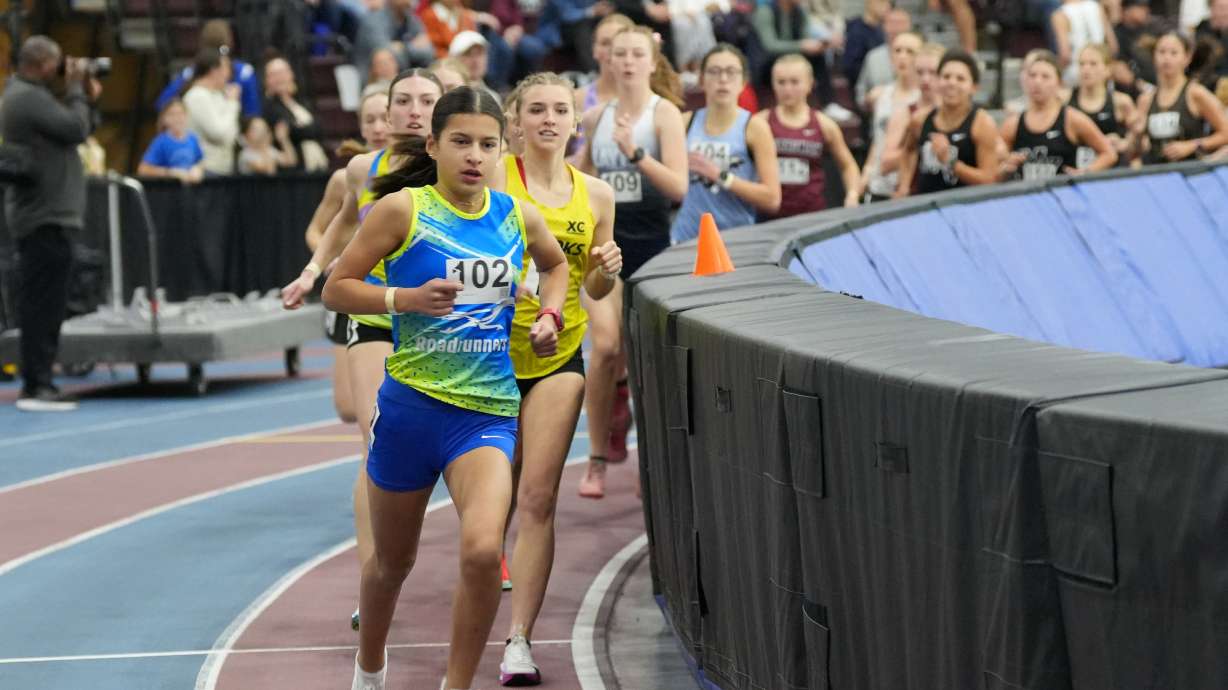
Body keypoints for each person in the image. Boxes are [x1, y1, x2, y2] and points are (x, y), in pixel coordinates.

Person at [323, 84, 569, 690]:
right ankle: (371, 667)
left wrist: (549, 316)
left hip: (485, 413)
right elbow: (337, 287)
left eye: (487, 145)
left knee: (484, 551)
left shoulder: (515, 214)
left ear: (502, 149)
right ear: (433, 145)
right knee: (391, 565)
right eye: (460, 141)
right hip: (411, 410)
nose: (474, 156)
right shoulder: (402, 210)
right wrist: (400, 298)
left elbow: (558, 264)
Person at [281, 69, 444, 632]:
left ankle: (484, 546)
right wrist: (310, 272)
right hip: (377, 312)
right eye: (404, 101)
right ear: (388, 110)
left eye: (428, 100)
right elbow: (340, 225)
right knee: (376, 433)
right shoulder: (362, 169)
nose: (414, 109)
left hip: (443, 323)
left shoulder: (462, 165)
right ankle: (372, 577)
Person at [491, 72, 622, 686]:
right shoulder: (493, 180)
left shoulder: (595, 195)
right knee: (487, 512)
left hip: (556, 357)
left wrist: (604, 271)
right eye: (536, 109)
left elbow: (595, 288)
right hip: (483, 357)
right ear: (515, 122)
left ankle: (519, 640)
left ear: (576, 121)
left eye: (560, 110)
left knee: (537, 498)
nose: (548, 119)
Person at [575, 24, 688, 497]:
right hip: (605, 247)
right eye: (618, 53)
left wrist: (635, 153)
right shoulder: (595, 117)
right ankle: (597, 457)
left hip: (654, 248)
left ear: (651, 59)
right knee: (603, 347)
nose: (625, 62)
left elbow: (678, 188)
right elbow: (582, 177)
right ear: (607, 58)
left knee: (647, 358)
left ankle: (649, 457)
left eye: (635, 54)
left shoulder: (666, 115)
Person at [1, 35, 100, 411]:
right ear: (42, 63)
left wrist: (85, 93)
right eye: (58, 64)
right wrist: (76, 87)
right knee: (42, 302)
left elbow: (80, 124)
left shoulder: (32, 96)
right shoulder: (26, 97)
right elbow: (76, 129)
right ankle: (37, 383)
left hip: (48, 214)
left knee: (48, 301)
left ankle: (41, 380)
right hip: (43, 215)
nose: (62, 70)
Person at [306, 91, 392, 426]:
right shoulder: (347, 177)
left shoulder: (416, 173)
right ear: (361, 128)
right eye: (369, 120)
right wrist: (328, 261)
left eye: (384, 117)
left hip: (392, 295)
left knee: (374, 417)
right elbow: (317, 231)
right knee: (347, 407)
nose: (379, 126)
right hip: (351, 289)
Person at [672, 44, 781, 241]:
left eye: (731, 72)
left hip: (736, 240)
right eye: (714, 72)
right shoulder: (684, 122)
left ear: (743, 81)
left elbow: (772, 198)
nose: (723, 79)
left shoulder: (755, 127)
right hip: (686, 238)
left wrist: (720, 176)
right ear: (701, 80)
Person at [756, 53, 859, 217]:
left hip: (811, 215)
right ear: (773, 84)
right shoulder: (760, 122)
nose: (787, 89)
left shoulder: (824, 124)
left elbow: (848, 165)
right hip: (769, 216)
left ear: (810, 84)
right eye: (781, 82)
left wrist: (852, 195)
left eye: (795, 82)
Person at [896, 49, 1003, 196]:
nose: (952, 83)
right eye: (946, 77)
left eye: (960, 79)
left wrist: (951, 162)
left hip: (965, 209)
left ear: (974, 87)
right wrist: (904, 185)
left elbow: (990, 180)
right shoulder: (920, 120)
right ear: (938, 80)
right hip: (924, 207)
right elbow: (907, 151)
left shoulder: (982, 124)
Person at [999, 49, 1117, 180]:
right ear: (1025, 80)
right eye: (1032, 75)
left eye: (1045, 77)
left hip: (1063, 197)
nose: (1037, 82)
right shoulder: (1012, 124)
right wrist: (1005, 167)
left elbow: (1109, 154)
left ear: (1059, 83)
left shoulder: (1072, 119)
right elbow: (994, 168)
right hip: (1026, 198)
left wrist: (1086, 172)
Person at [1135, 31, 1228, 164]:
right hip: (1155, 174)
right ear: (1154, 56)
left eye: (1173, 53)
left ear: (1187, 57)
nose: (1167, 58)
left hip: (1189, 173)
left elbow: (1225, 133)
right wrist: (1136, 135)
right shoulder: (1145, 99)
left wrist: (1192, 146)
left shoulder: (1196, 93)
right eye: (1161, 52)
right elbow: (1134, 151)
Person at [859, 31, 921, 203]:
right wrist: (866, 172)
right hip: (878, 184)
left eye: (910, 52)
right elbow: (879, 138)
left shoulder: (921, 99)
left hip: (906, 187)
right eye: (897, 50)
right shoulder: (881, 95)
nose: (902, 56)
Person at [155, 19, 261, 117]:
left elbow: (162, 103)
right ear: (230, 42)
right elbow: (253, 113)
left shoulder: (192, 72)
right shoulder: (245, 72)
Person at [879, 42, 944, 188]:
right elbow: (885, 163)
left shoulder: (959, 113)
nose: (925, 79)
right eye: (920, 72)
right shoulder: (906, 113)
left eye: (933, 73)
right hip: (916, 194)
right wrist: (918, 147)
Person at [570, 13, 636, 159]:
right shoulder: (575, 100)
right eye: (606, 43)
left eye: (619, 42)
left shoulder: (654, 102)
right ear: (595, 50)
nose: (613, 50)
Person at [754, 0, 837, 112]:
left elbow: (805, 37)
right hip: (767, 64)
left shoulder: (800, 11)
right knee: (783, 65)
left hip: (793, 59)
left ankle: (829, 104)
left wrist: (819, 45)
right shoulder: (765, 11)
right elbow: (770, 45)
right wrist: (801, 46)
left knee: (818, 57)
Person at [1069, 43, 1136, 167]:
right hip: (1077, 173)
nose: (1086, 69)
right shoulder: (1065, 99)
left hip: (1112, 173)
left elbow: (1138, 141)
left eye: (1093, 64)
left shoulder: (1121, 101)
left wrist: (1125, 143)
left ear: (1107, 69)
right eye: (1082, 64)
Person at [263, 57, 330, 172]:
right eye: (274, 74)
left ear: (291, 74)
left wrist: (300, 128)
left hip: (318, 164)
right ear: (266, 80)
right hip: (293, 171)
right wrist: (306, 128)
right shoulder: (268, 106)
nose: (280, 78)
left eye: (283, 72)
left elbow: (319, 128)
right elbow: (291, 131)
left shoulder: (303, 101)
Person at [183, 49, 241, 176]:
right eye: (226, 68)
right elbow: (219, 133)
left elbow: (232, 134)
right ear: (214, 70)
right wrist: (232, 103)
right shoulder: (197, 96)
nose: (229, 74)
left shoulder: (219, 95)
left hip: (224, 169)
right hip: (206, 170)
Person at [353, 0, 437, 83]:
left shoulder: (412, 19)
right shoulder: (373, 20)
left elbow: (429, 53)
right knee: (384, 58)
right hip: (372, 81)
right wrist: (412, 48)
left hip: (408, 78)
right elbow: (387, 54)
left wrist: (402, 47)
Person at [857, 7, 913, 113]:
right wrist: (868, 100)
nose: (896, 27)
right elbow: (861, 92)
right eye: (892, 22)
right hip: (880, 118)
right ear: (883, 26)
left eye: (900, 23)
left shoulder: (920, 54)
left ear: (909, 25)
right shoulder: (873, 57)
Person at [137, 98, 206, 184]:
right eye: (172, 114)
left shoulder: (192, 139)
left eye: (180, 114)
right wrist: (169, 173)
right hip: (169, 192)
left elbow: (200, 161)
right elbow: (143, 170)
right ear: (164, 118)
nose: (177, 118)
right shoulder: (160, 142)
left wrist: (198, 169)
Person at [1053, 0, 1119, 86]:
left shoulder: (1060, 15)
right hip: (1101, 67)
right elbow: (1113, 46)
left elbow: (1065, 55)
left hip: (1077, 71)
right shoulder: (1096, 6)